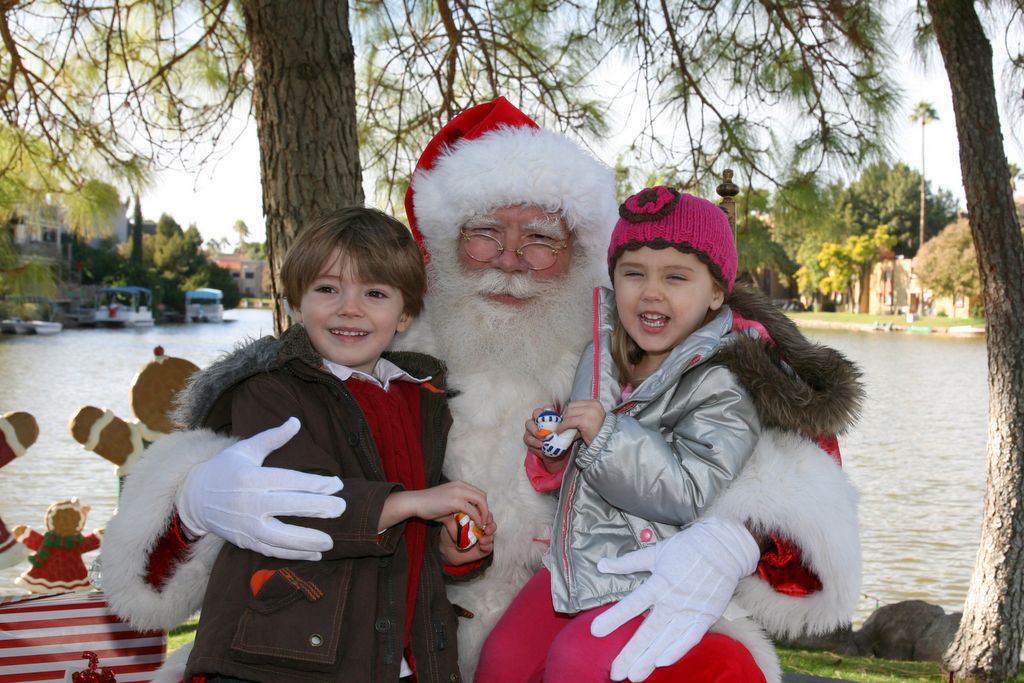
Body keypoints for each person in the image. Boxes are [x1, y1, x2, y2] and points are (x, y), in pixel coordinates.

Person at [102, 98, 863, 683]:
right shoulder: (373, 342)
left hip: (613, 619)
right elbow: (166, 564)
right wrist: (194, 500)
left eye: (541, 237)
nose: (509, 259)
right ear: (438, 241)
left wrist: (735, 538)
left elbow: (792, 472)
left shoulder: (631, 342)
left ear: (581, 251)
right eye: (483, 231)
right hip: (395, 646)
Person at [110, 208, 496, 683]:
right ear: (295, 303)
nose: (349, 308)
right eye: (327, 289)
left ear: (406, 313)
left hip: (399, 653)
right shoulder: (270, 390)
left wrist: (450, 549)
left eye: (375, 293)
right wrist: (413, 502)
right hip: (283, 654)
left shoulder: (421, 396)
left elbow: (411, 523)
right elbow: (291, 503)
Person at [476, 187, 767, 681]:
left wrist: (606, 436)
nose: (651, 293)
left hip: (655, 564)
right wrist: (554, 453)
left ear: (716, 292)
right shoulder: (605, 356)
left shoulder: (723, 379)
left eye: (676, 277)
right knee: (503, 657)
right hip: (578, 555)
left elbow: (691, 491)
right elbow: (585, 474)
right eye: (633, 274)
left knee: (578, 662)